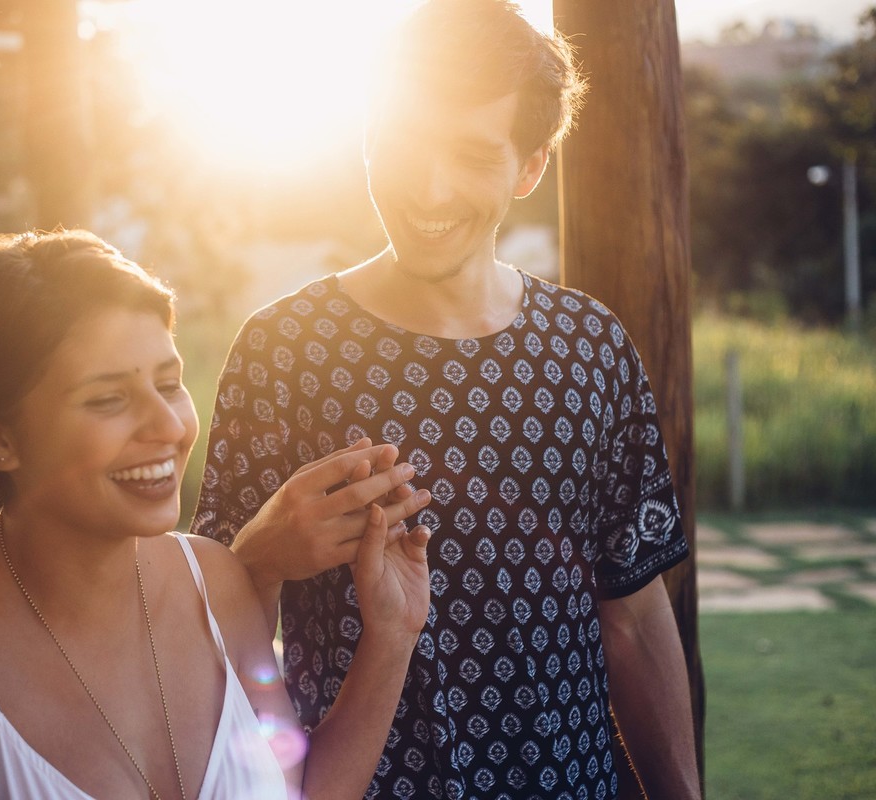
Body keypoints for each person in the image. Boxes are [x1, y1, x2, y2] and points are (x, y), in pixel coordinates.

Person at [191, 1, 701, 798]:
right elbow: (215, 623)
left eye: (469, 153)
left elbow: (633, 614)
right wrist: (259, 551)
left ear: (529, 166)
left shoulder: (592, 346)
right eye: (404, 143)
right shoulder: (281, 350)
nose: (429, 186)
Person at [0, 228, 434, 799]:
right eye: (108, 399)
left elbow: (300, 794)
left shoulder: (217, 582)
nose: (170, 427)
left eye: (170, 384)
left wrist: (391, 637)